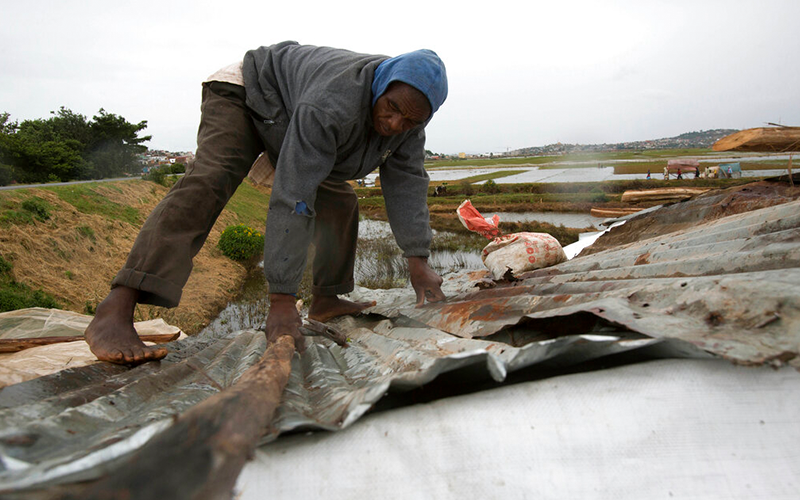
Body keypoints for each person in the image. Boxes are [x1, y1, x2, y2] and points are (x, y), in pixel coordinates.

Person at [85, 42, 449, 365]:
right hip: (247, 93)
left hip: (289, 115)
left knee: (339, 199)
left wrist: (417, 261)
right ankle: (117, 306)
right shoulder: (332, 102)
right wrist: (281, 300)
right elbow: (294, 196)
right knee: (213, 178)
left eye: (411, 120)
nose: (394, 122)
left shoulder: (409, 127)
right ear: (381, 86)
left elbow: (407, 185)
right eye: (391, 107)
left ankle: (326, 298)